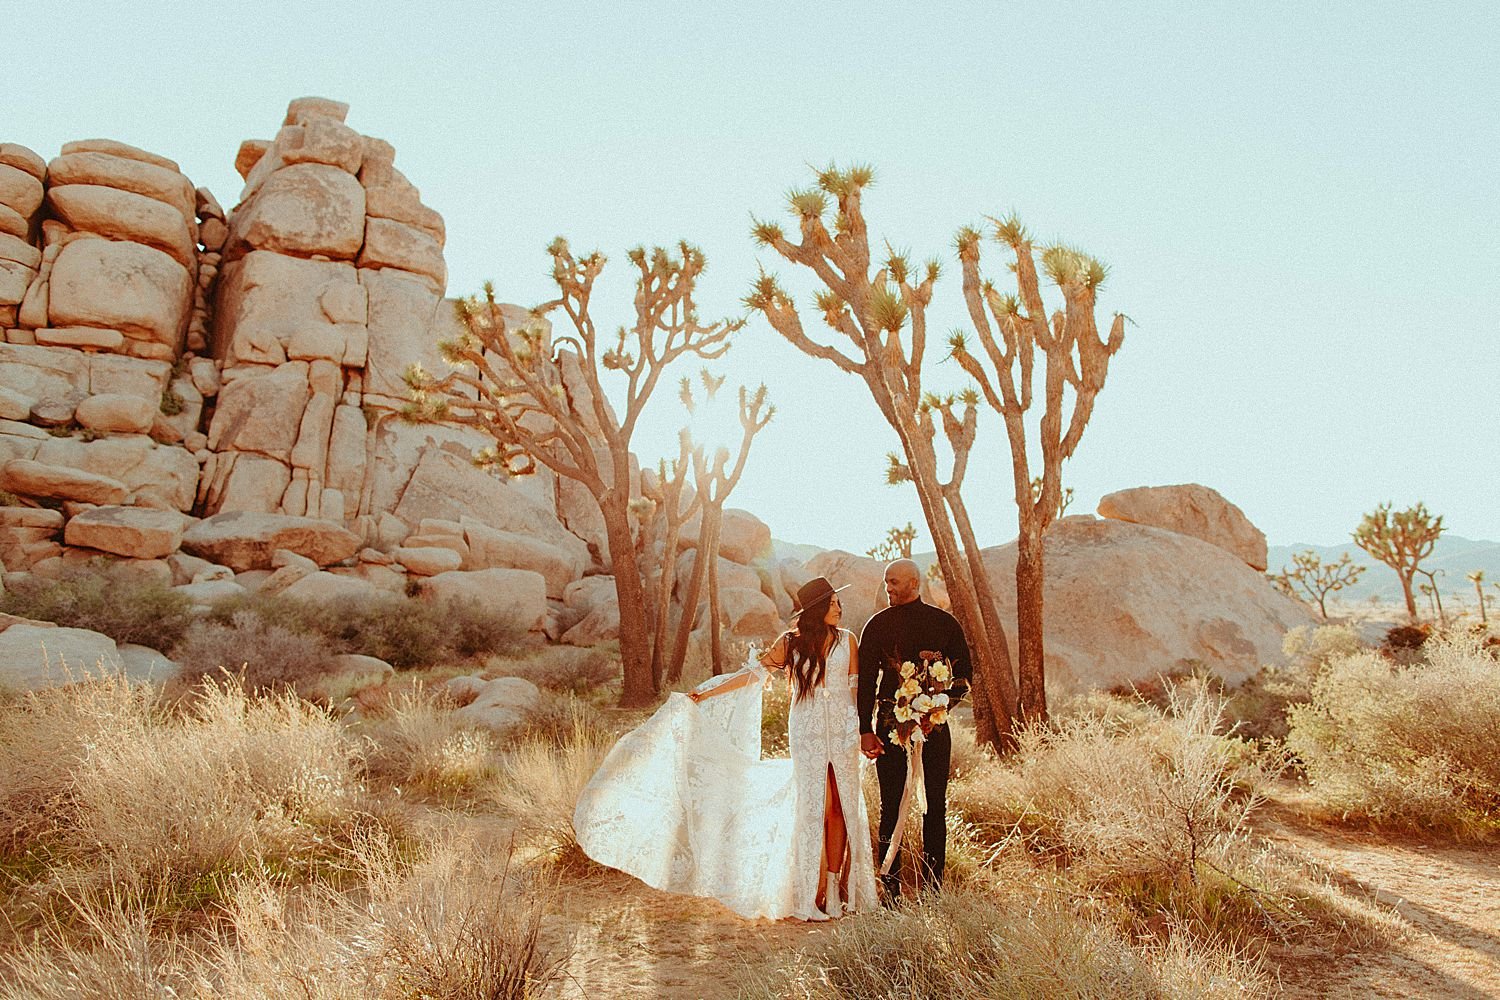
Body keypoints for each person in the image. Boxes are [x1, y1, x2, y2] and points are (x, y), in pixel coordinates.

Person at [571, 576, 876, 921]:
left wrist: (865, 730)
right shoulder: (791, 643)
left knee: (841, 808)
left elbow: (855, 690)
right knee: (812, 809)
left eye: (838, 602)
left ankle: (835, 890)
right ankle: (809, 895)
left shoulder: (848, 640)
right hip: (806, 732)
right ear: (818, 609)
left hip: (843, 729)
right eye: (833, 602)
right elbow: (750, 676)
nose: (839, 607)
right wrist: (704, 693)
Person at [857, 558, 972, 900]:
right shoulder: (876, 626)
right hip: (890, 726)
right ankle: (890, 892)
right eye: (886, 582)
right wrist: (865, 727)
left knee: (934, 805)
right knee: (891, 806)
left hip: (934, 728)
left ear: (913, 583)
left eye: (893, 582)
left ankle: (933, 890)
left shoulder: (945, 624)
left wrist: (939, 707)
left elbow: (964, 677)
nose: (888, 588)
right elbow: (865, 683)